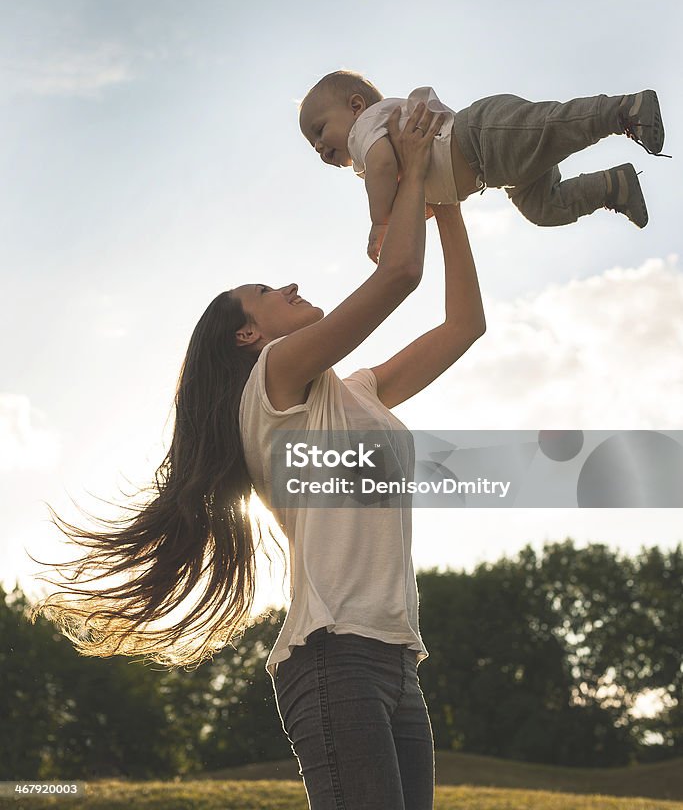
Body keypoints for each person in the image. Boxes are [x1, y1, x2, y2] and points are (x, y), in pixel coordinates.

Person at [28, 101, 485, 810]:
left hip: (396, 661)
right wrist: (417, 167)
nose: (291, 287)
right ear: (246, 337)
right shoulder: (273, 384)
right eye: (268, 292)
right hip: (334, 660)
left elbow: (464, 325)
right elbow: (398, 276)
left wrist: (445, 201)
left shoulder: (355, 391)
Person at [298, 69, 670, 262]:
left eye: (318, 130)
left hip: (480, 137)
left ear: (356, 106)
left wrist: (381, 222)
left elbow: (379, 168)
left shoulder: (364, 133)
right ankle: (615, 186)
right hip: (494, 170)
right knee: (544, 208)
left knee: (552, 127)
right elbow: (414, 182)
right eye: (311, 143)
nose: (318, 146)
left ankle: (624, 110)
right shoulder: (379, 136)